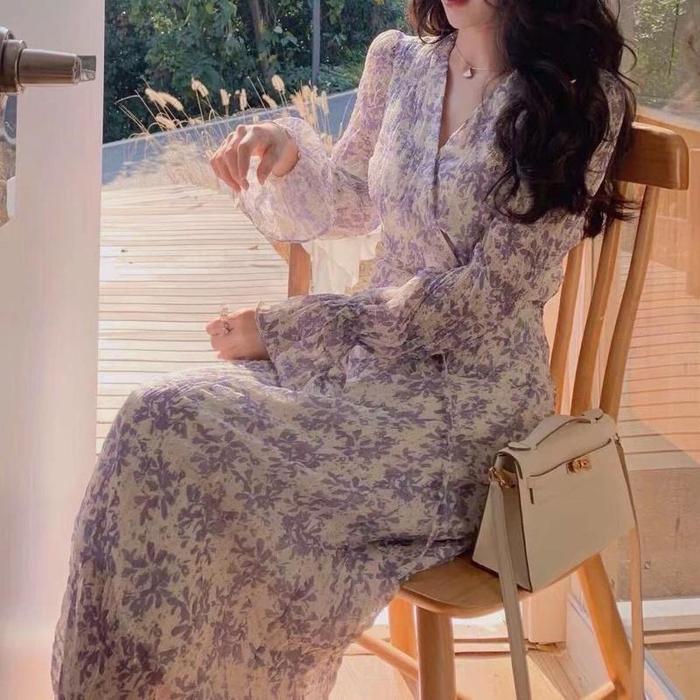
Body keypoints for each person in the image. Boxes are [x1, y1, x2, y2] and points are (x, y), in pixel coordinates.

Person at [52, 0, 635, 697]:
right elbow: (354, 196)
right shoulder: (401, 62)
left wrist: (290, 326)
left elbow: (485, 299)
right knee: (154, 418)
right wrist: (290, 152)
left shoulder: (575, 100)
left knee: (191, 439)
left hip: (466, 422)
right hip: (361, 369)